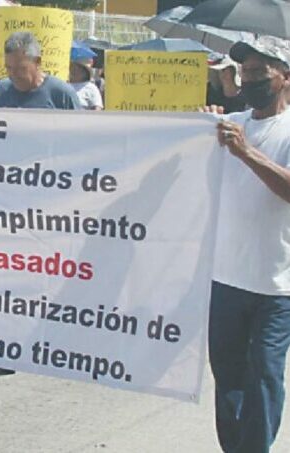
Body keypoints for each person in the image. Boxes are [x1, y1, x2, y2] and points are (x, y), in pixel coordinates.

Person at [207, 35, 290, 453]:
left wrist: (245, 153)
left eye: (260, 73)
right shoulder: (231, 123)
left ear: (285, 78)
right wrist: (198, 128)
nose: (249, 79)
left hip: (275, 286)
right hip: (225, 279)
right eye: (244, 72)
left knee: (263, 380)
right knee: (228, 380)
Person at [0, 32, 80, 110]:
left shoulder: (62, 95)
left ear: (37, 62)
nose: (13, 74)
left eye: (21, 68)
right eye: (8, 68)